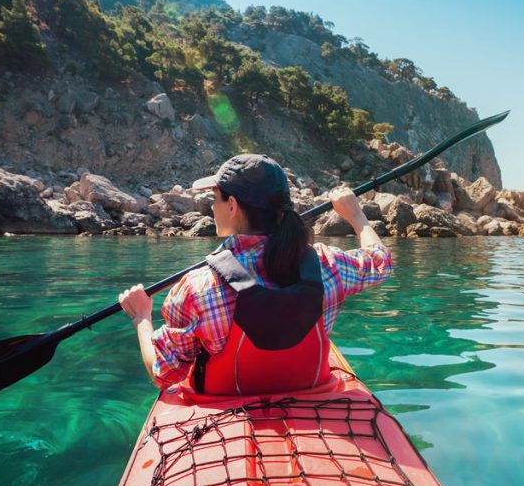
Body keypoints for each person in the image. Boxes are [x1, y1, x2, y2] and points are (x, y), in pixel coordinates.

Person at [118, 154, 393, 395]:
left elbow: (163, 373)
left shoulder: (197, 287)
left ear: (232, 205)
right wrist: (357, 217)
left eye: (214, 198)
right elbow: (380, 262)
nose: (212, 207)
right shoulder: (328, 264)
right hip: (310, 392)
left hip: (227, 407)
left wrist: (142, 318)